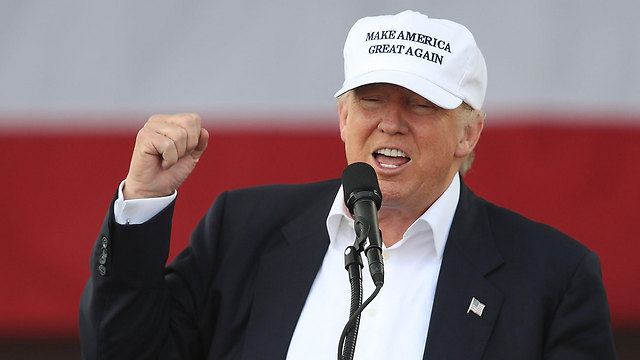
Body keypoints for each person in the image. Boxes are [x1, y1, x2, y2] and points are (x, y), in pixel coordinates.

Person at [79, 10, 617, 360]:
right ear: (342, 116)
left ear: (468, 133)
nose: (391, 122)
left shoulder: (553, 277)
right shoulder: (243, 231)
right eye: (371, 99)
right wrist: (143, 201)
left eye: (421, 104)